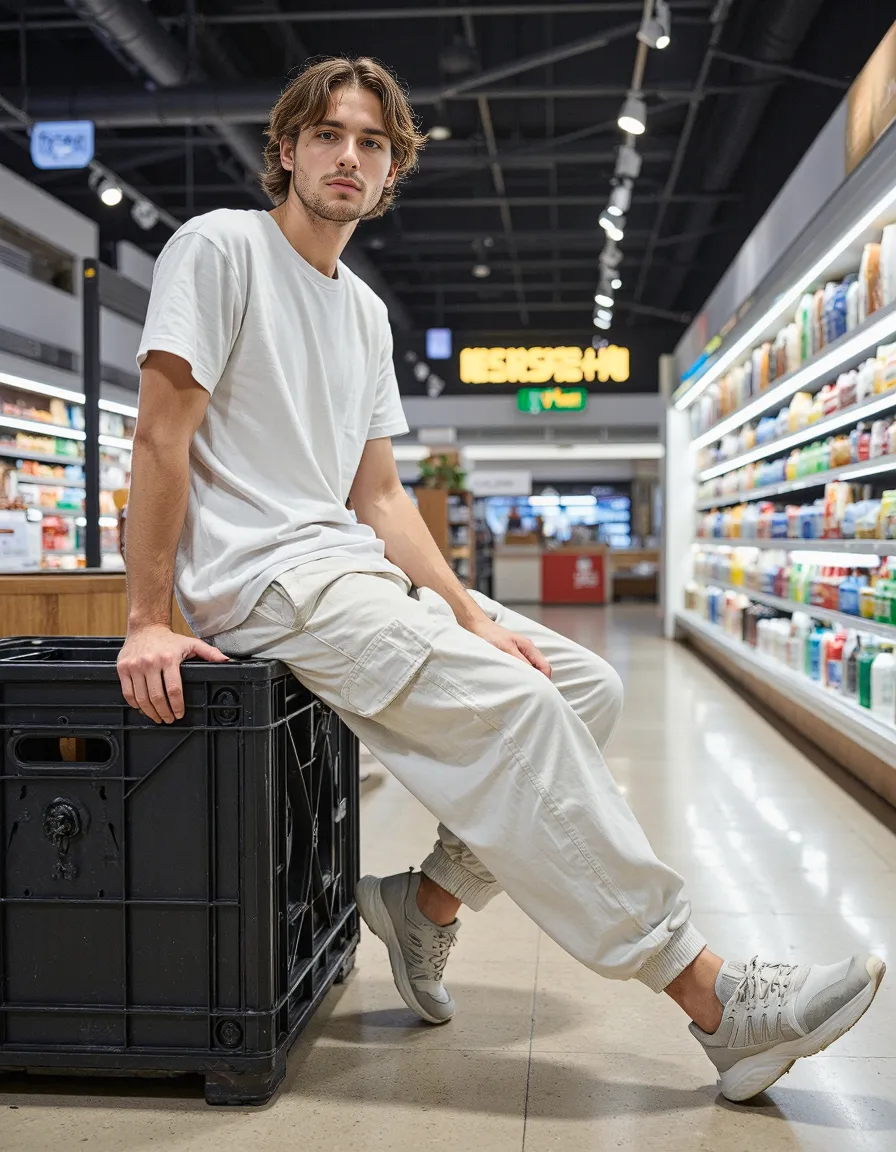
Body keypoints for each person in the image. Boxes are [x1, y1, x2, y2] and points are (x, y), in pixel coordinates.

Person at [117, 56, 884, 1105]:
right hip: (264, 580)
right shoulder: (221, 248)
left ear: (391, 172)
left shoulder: (364, 315)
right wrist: (144, 622)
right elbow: (161, 442)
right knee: (522, 717)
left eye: (373, 144)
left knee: (581, 685)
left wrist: (468, 612)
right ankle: (714, 1001)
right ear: (286, 149)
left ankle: (423, 907)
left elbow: (383, 500)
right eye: (330, 135)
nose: (350, 156)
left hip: (349, 571)